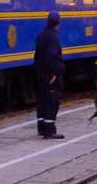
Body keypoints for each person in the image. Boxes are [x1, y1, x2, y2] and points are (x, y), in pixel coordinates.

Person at [34, 11, 65, 139]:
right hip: (50, 74)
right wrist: (56, 72)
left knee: (41, 101)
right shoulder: (54, 37)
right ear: (58, 23)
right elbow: (52, 57)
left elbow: (37, 56)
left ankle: (41, 127)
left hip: (40, 73)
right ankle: (49, 130)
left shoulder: (41, 35)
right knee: (52, 101)